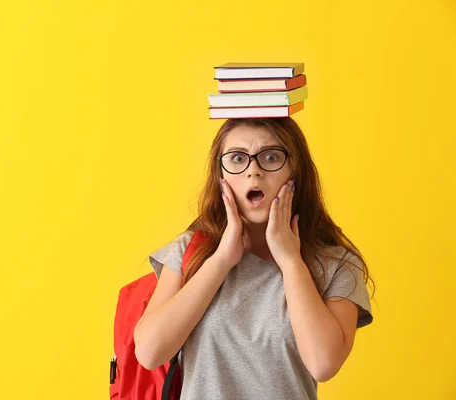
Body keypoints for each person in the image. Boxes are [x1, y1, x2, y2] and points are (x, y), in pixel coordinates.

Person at [133, 117, 375, 400]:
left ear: (295, 173)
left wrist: (291, 261)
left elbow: (324, 364)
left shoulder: (335, 264)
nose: (254, 171)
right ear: (220, 175)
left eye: (271, 157)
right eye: (237, 158)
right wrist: (222, 258)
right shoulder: (190, 252)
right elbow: (149, 353)